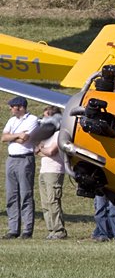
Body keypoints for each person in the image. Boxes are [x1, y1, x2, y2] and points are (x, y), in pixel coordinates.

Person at [2, 96, 39, 239]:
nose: (10, 109)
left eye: (12, 107)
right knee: (11, 195)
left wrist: (13, 136)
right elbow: (4, 137)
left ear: (20, 107)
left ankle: (27, 229)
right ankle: (13, 229)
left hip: (25, 159)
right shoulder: (12, 121)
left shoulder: (32, 120)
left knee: (26, 194)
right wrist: (17, 135)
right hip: (11, 159)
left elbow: (26, 139)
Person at [35, 106, 67, 240]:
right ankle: (51, 229)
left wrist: (42, 149)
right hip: (44, 170)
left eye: (46, 117)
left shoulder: (59, 134)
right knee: (45, 203)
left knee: (53, 201)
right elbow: (36, 150)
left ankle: (59, 230)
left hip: (54, 171)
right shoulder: (47, 135)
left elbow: (51, 151)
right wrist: (42, 149)